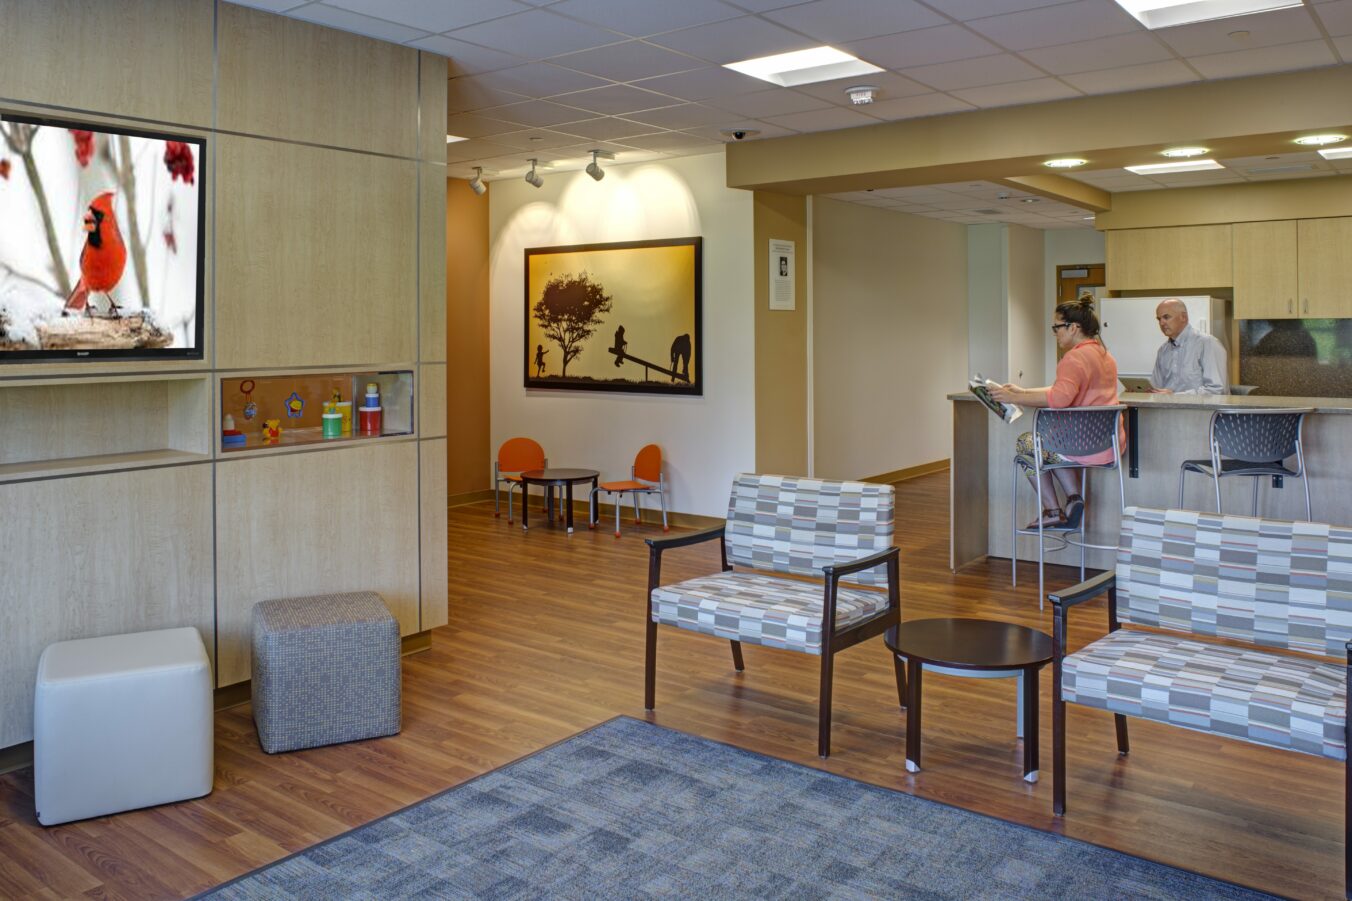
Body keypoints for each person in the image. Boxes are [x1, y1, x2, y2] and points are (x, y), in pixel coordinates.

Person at [991, 297, 1123, 530]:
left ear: (1073, 328)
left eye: (1057, 327)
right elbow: (1065, 391)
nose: (1055, 333)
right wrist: (1023, 391)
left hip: (1078, 446)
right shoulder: (1105, 356)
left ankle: (1053, 510)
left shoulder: (1073, 358)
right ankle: (1073, 500)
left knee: (1027, 443)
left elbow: (1060, 398)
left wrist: (1013, 398)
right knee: (1048, 443)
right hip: (1106, 445)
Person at [1150, 298, 1228, 395]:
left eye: (1166, 317)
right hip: (1168, 409)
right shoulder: (1163, 350)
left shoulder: (1208, 344)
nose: (1161, 323)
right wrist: (1142, 392)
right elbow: (1156, 388)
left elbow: (1217, 390)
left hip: (1201, 410)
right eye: (1159, 319)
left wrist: (1174, 397)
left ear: (1183, 317)